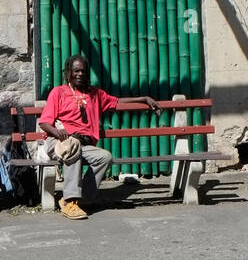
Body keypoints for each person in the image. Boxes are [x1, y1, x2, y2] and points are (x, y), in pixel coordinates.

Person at [38, 54, 161, 220]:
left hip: (82, 143)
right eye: (76, 71)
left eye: (83, 71)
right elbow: (44, 123)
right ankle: (70, 202)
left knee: (104, 157)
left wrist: (144, 99)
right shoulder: (58, 92)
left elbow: (117, 102)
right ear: (69, 72)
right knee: (73, 150)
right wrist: (57, 132)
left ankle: (83, 198)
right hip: (60, 142)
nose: (80, 74)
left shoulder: (95, 94)